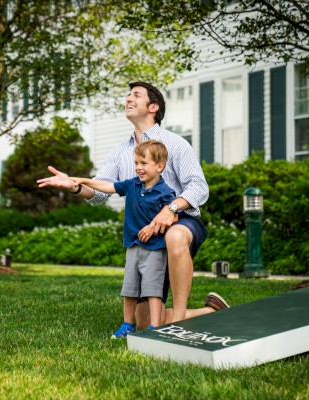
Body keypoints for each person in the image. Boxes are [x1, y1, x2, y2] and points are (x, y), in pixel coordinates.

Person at [37, 81, 229, 329]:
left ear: (153, 107)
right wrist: (74, 186)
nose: (128, 98)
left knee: (175, 235)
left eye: (136, 95)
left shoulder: (176, 144)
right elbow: (99, 194)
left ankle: (179, 320)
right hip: (145, 236)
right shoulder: (120, 152)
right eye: (128, 95)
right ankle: (210, 311)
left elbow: (199, 188)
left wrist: (169, 209)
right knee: (144, 323)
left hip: (181, 221)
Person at [72, 140, 175, 338]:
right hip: (133, 246)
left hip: (155, 248)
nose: (138, 167)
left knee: (153, 289)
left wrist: (152, 228)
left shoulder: (166, 192)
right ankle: (127, 325)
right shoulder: (132, 185)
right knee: (130, 288)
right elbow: (108, 186)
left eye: (143, 163)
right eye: (136, 163)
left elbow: (172, 215)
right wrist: (82, 180)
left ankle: (154, 327)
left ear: (159, 166)